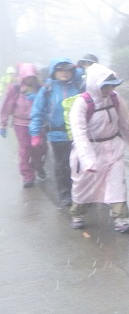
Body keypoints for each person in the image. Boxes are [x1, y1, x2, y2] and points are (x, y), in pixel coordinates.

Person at [69, 64, 129, 232]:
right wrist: (88, 160)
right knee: (83, 185)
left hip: (113, 148)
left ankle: (120, 219)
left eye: (112, 86)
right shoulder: (81, 103)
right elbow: (79, 134)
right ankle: (77, 214)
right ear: (95, 84)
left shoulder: (115, 98)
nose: (109, 90)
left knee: (117, 183)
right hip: (89, 149)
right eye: (105, 86)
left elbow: (125, 123)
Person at [30, 58, 81, 206]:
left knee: (79, 165)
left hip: (79, 134)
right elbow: (37, 112)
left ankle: (79, 193)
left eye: (68, 70)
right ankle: (65, 194)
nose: (64, 73)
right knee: (62, 165)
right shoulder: (47, 90)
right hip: (57, 135)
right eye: (60, 70)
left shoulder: (78, 87)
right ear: (54, 72)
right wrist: (35, 133)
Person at [1, 63, 47, 188]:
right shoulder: (15, 89)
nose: (30, 79)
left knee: (41, 148)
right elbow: (6, 106)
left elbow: (48, 104)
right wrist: (3, 124)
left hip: (39, 123)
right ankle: (28, 176)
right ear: (22, 77)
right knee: (25, 149)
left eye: (32, 76)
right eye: (27, 76)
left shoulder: (41, 88)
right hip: (20, 123)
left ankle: (38, 166)